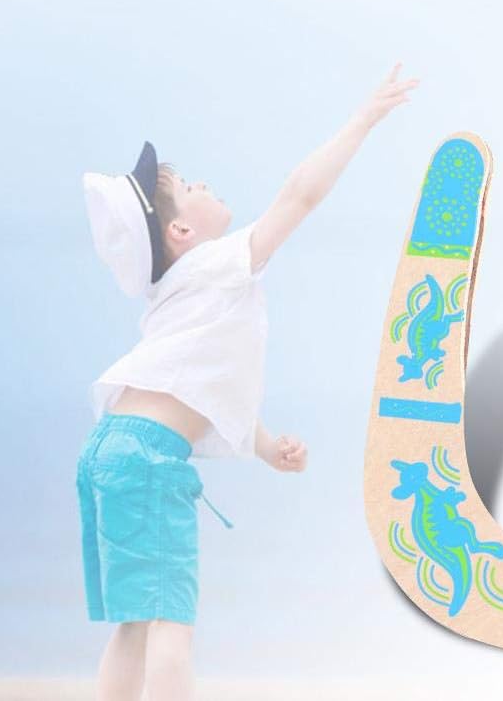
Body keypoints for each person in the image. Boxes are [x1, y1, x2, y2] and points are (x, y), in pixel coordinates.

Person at [76, 62, 419, 701]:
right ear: (181, 232)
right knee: (172, 624)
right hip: (148, 455)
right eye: (189, 185)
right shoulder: (219, 263)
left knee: (135, 624)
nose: (203, 182)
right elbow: (300, 196)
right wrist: (364, 119)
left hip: (111, 448)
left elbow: (200, 386)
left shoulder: (174, 289)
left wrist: (264, 446)